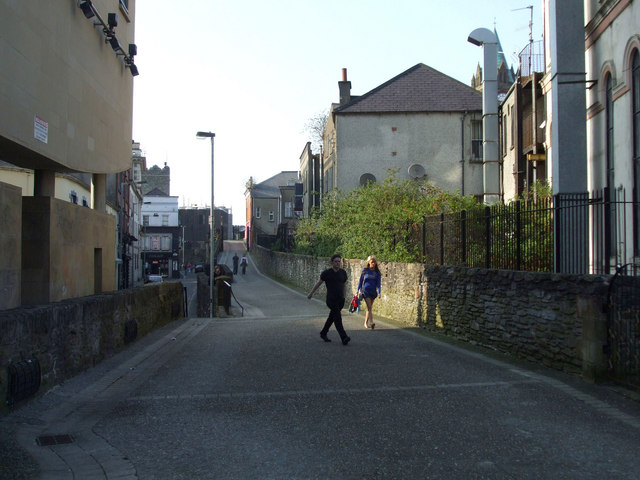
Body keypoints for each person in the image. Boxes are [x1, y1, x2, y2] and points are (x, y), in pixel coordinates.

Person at [307, 254, 351, 345]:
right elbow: (319, 283)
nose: (337, 263)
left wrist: (344, 296)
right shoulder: (327, 273)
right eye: (335, 261)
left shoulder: (343, 273)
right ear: (332, 262)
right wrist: (311, 293)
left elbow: (344, 285)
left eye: (339, 261)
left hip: (340, 300)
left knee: (332, 317)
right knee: (338, 318)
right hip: (331, 299)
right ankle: (344, 337)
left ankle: (323, 333)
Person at [357, 255, 382, 329]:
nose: (373, 263)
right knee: (369, 306)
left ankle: (365, 322)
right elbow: (360, 281)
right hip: (366, 291)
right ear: (368, 262)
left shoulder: (377, 272)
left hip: (373, 292)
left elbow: (378, 283)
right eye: (372, 262)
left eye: (374, 262)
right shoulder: (365, 270)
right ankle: (371, 322)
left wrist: (379, 292)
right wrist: (358, 290)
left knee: (369, 308)